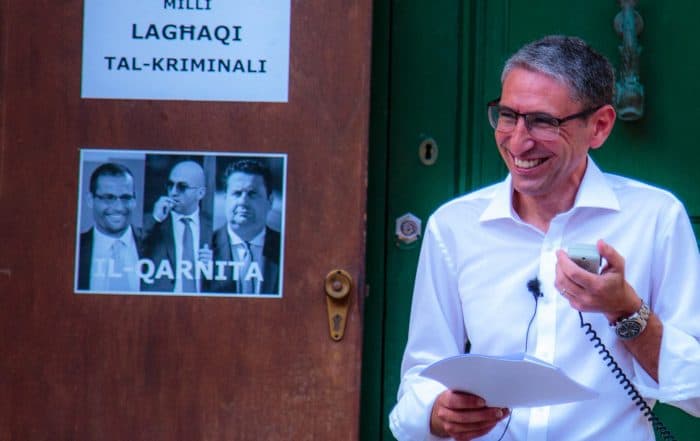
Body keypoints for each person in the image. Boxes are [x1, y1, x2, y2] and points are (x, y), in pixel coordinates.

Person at [389, 35, 700, 440]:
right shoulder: (454, 226)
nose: (518, 141)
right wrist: (437, 412)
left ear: (599, 127)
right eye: (507, 116)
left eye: (542, 121)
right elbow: (419, 380)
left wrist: (625, 311)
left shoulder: (656, 218)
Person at [206, 159, 280, 295]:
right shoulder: (204, 247)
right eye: (237, 193)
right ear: (226, 199)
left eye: (252, 194)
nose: (243, 201)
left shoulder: (286, 249)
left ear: (270, 201)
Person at [141, 160, 213, 293]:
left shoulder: (211, 227)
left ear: (201, 193)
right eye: (170, 185)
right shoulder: (153, 222)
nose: (173, 192)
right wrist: (155, 219)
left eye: (182, 187)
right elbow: (134, 250)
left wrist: (214, 265)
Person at [77, 162, 142, 292]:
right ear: (90, 200)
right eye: (108, 198)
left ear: (134, 201)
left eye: (125, 198)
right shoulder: (76, 247)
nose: (118, 207)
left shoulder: (154, 244)